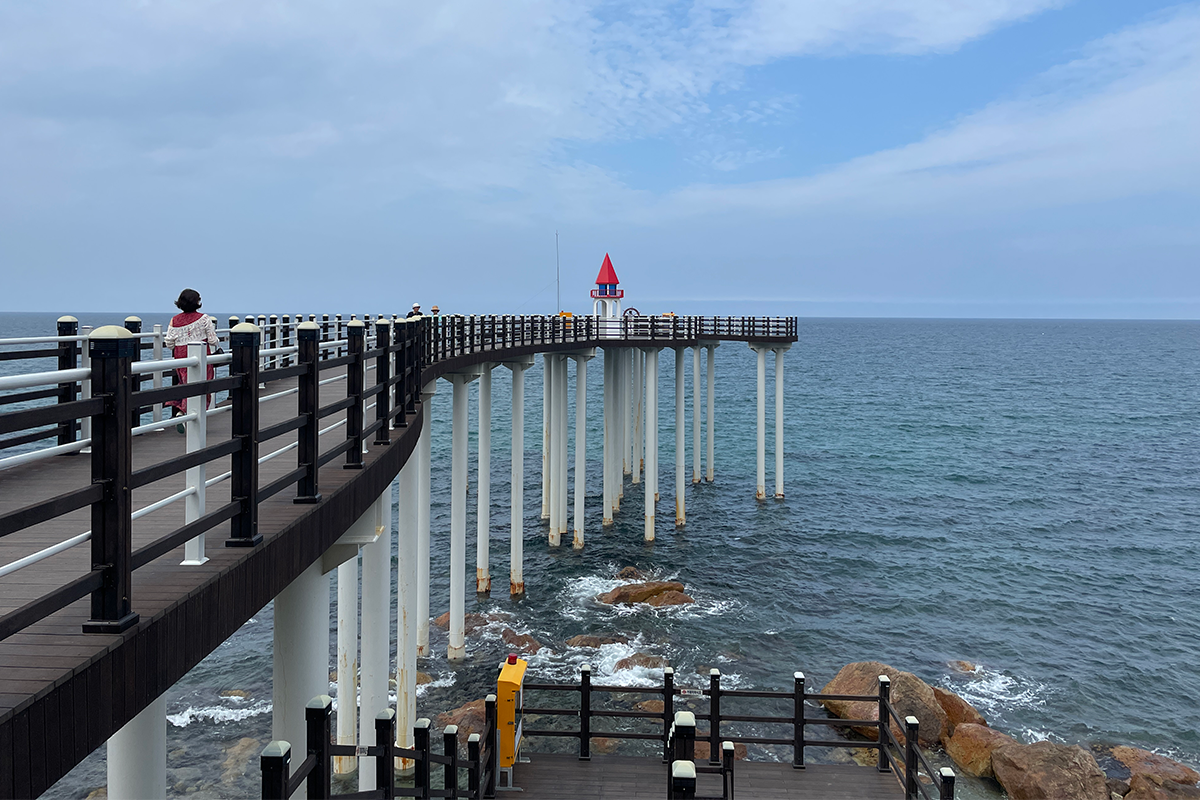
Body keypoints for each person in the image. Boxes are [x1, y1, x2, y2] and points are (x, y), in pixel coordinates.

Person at [164, 288, 220, 432]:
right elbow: (213, 340)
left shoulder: (174, 320)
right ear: (197, 302)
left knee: (185, 386)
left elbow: (169, 343)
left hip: (181, 359)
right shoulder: (204, 318)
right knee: (203, 389)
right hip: (201, 358)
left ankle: (183, 414)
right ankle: (187, 417)